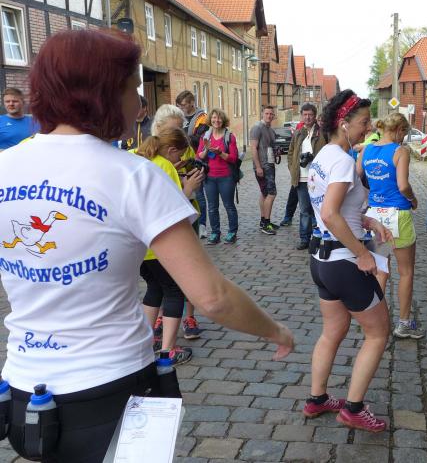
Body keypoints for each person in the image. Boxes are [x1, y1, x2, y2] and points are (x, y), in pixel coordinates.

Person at [0, 29, 293, 462]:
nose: (140, 103)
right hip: (111, 387)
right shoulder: (134, 175)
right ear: (102, 93)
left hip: (23, 388)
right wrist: (275, 330)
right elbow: (211, 297)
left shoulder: (5, 165)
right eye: (132, 88)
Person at [305, 90, 393, 433]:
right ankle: (354, 409)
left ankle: (317, 398)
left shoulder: (323, 156)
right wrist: (363, 254)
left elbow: (333, 209)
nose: (368, 128)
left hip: (322, 261)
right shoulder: (342, 161)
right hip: (345, 262)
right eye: (364, 122)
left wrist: (367, 221)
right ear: (343, 124)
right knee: (378, 333)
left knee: (333, 331)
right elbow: (330, 213)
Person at [136, 128, 204, 364]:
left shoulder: (137, 158)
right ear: (171, 149)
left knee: (154, 288)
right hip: (160, 244)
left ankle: (147, 343)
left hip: (139, 245)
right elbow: (174, 209)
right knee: (174, 291)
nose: (180, 160)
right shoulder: (164, 167)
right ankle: (168, 351)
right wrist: (189, 188)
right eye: (179, 155)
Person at [357, 112, 423, 339]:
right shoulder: (399, 152)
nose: (403, 138)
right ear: (398, 130)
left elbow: (355, 178)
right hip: (397, 215)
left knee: (380, 271)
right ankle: (404, 323)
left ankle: (377, 323)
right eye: (404, 133)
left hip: (376, 216)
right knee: (406, 272)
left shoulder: (366, 150)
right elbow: (403, 186)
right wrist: (413, 199)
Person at [148, 103, 203, 340]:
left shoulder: (180, 149)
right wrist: (186, 188)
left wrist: (189, 173)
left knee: (185, 273)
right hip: (171, 219)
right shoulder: (152, 157)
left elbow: (191, 168)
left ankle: (188, 317)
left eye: (182, 128)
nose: (180, 133)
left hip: (186, 216)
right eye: (175, 128)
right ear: (159, 129)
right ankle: (164, 320)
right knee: (167, 279)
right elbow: (166, 201)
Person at [197, 109, 239, 244]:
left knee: (229, 206)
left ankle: (232, 232)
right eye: (214, 118)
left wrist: (220, 153)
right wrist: (207, 149)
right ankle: (215, 233)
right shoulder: (205, 136)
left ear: (223, 120)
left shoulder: (229, 137)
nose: (216, 120)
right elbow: (199, 156)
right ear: (210, 119)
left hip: (226, 177)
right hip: (209, 177)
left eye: (219, 118)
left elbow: (233, 158)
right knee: (212, 207)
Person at [288, 103, 326, 250]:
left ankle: (320, 237)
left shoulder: (322, 133)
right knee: (304, 210)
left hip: (318, 178)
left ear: (314, 116)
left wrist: (313, 158)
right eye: (305, 114)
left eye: (310, 114)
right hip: (301, 178)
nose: (308, 117)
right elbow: (290, 153)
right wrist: (293, 169)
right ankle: (304, 239)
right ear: (301, 116)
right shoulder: (298, 133)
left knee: (319, 209)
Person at [176, 90, 209, 237]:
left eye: (183, 105)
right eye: (179, 105)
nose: (181, 108)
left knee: (199, 194)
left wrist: (182, 138)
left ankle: (202, 225)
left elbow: (199, 139)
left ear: (191, 103)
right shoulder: (179, 117)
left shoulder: (202, 118)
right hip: (180, 160)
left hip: (196, 159)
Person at [251, 106, 280, 234]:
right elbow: (253, 148)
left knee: (264, 194)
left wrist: (276, 151)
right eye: (267, 113)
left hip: (270, 164)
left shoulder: (270, 130)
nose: (269, 116)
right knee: (271, 193)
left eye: (271, 114)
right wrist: (258, 166)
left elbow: (270, 147)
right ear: (262, 114)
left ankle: (263, 221)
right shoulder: (257, 128)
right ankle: (266, 224)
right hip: (263, 166)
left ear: (274, 115)